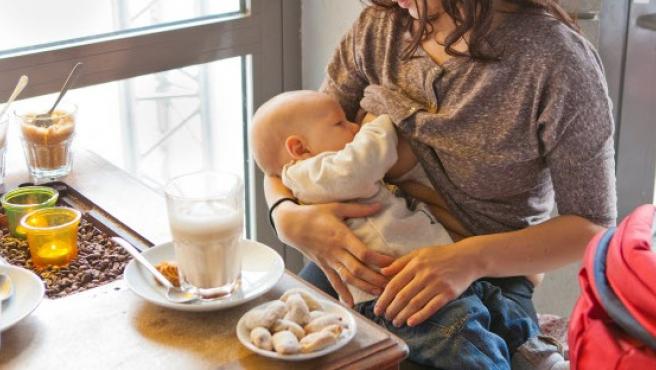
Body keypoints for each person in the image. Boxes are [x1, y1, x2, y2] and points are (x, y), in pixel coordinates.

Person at [263, 0, 616, 368]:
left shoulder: (557, 61)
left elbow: (592, 225)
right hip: (364, 261)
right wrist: (284, 215)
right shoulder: (379, 27)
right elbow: (293, 148)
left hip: (485, 279)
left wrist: (470, 259)